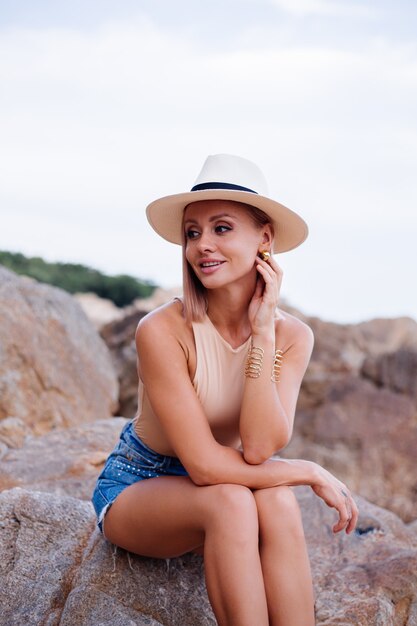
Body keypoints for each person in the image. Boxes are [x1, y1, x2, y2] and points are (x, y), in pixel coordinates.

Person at [92, 154, 358, 626]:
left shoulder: (293, 336)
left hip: (229, 477)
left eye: (221, 228)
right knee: (232, 500)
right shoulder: (161, 330)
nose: (202, 246)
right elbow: (204, 464)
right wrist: (309, 470)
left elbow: (257, 447)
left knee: (273, 499)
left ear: (265, 239)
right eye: (193, 232)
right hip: (141, 484)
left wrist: (263, 332)